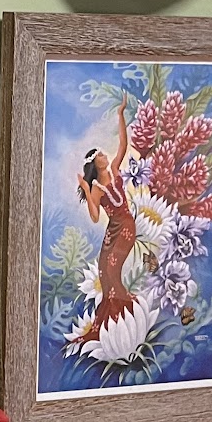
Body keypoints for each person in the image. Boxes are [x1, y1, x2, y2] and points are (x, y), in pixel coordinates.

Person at [76, 100, 137, 332]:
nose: (104, 155)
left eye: (102, 153)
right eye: (100, 155)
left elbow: (123, 143)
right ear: (95, 163)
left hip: (126, 226)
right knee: (104, 271)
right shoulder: (96, 188)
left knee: (112, 269)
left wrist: (120, 114)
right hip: (112, 230)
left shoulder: (114, 169)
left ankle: (128, 312)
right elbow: (94, 216)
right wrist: (85, 188)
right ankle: (113, 321)